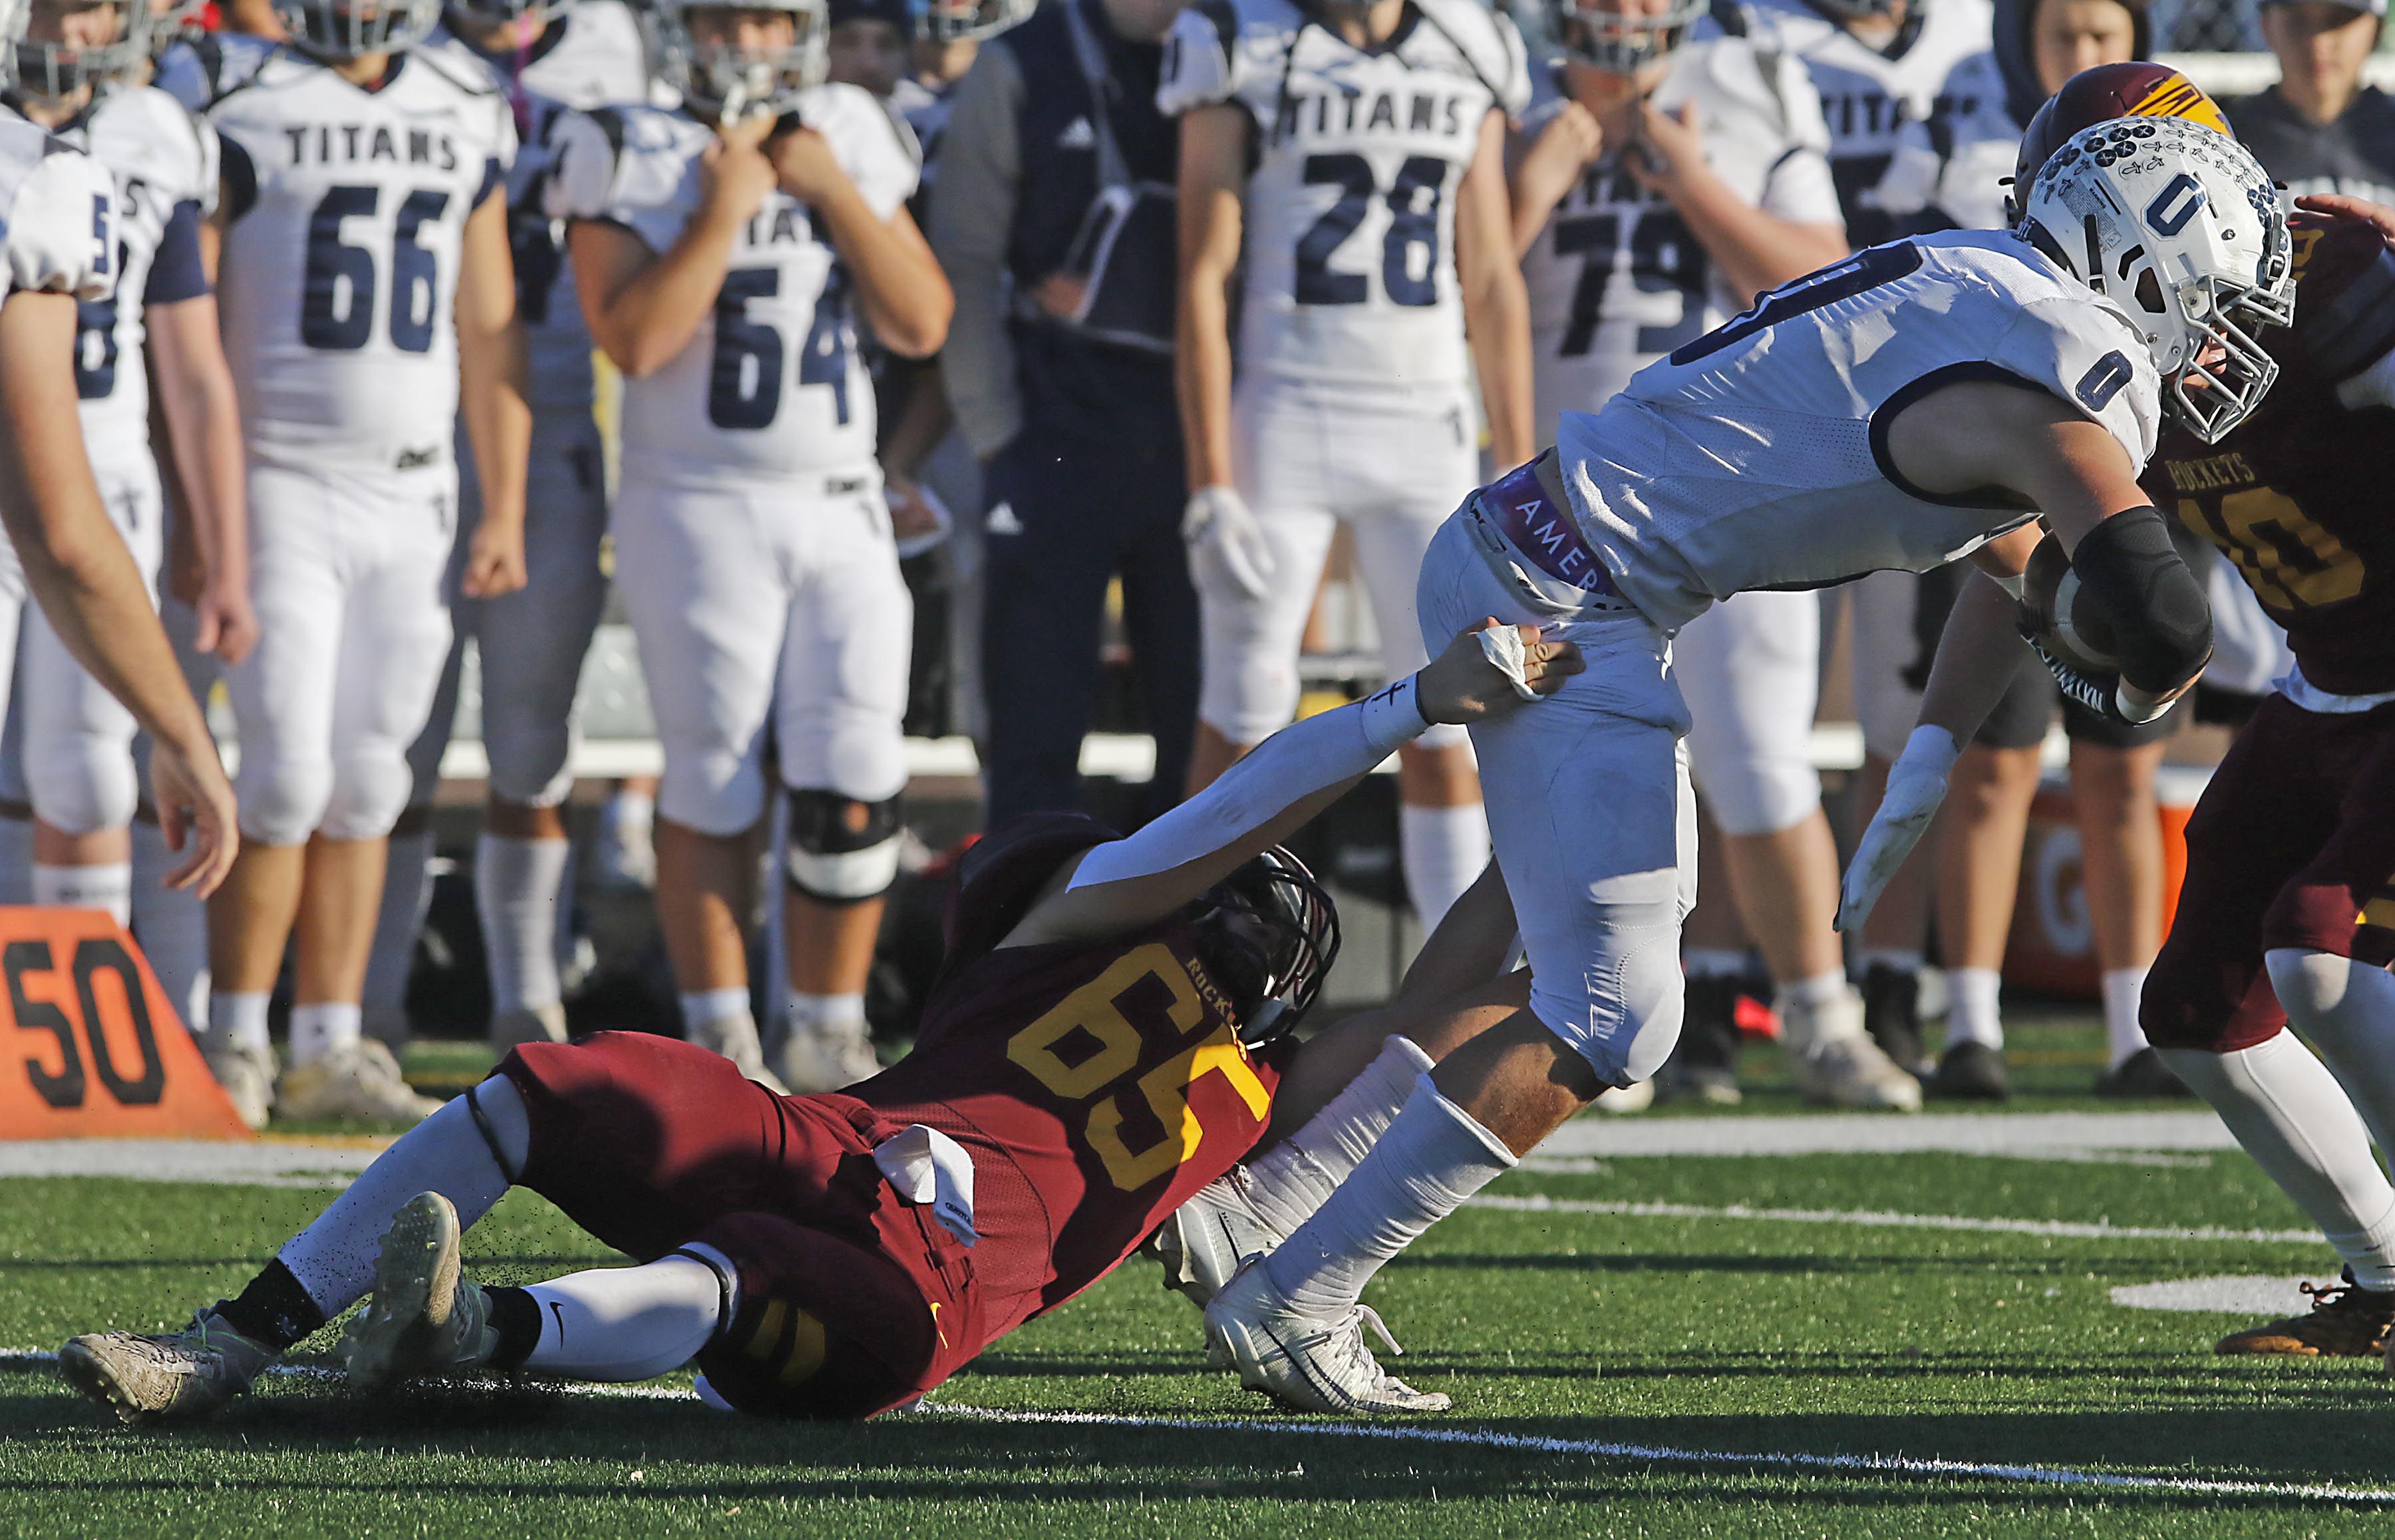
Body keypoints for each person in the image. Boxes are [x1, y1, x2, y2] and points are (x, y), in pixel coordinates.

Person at [1192, 115, 2288, 1414]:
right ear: (2143, 267)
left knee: (1574, 957)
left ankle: (1263, 1201)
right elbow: (2158, 614)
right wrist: (2148, 676)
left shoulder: (1971, 284)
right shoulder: (2075, 359)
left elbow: (2014, 567)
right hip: (1570, 598)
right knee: (1621, 1008)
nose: (2220, 340)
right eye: (2215, 302)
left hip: (1541, 552)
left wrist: (1931, 750)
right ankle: (1300, 1291)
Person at [53, 621, 1579, 1426]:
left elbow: (1405, 962)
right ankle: (239, 1341)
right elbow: (1437, 979)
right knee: (571, 1080)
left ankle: (477, 1332)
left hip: (925, 1279)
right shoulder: (1192, 1028)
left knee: (742, 1265)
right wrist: (1531, 796)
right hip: (843, 1145)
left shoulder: (1163, 1001)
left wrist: (1450, 738)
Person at [1510, 0, 1917, 1110]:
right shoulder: (1512, 86)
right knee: (1573, 760)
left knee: (1761, 758)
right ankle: (1580, 1017)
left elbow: (1828, 278)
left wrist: (1691, 179)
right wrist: (1540, 177)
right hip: (1570, 478)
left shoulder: (1751, 78)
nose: (1628, 13)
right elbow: (1456, 282)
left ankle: (1821, 1016)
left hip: (1734, 471)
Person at [552, 0, 951, 1092]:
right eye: (728, 20)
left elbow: (923, 321)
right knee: (715, 772)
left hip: (837, 493)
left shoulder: (845, 132)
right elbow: (633, 340)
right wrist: (724, 212)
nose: (751, 45)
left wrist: (828, 191)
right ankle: (719, 1036)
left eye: (773, 22)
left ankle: (829, 1033)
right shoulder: (622, 141)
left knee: (859, 768)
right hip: (698, 497)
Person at [200, 0, 529, 1126]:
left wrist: (508, 502)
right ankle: (236, 1033)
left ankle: (328, 1041)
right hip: (278, 476)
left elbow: (488, 326)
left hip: (416, 487)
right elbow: (188, 323)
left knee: (374, 778)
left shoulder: (465, 103)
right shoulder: (237, 97)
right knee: (286, 772)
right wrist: (206, 512)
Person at [1859, 42, 2207, 1102]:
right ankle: (1971, 1018)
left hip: (2123, 480)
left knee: (2120, 767)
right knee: (1998, 760)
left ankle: (2129, 1018)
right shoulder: (1972, 155)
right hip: (2029, 477)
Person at [1163, 0, 1537, 929]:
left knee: (1458, 708)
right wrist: (1209, 477)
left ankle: (1453, 988)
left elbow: (1488, 273)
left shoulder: (1471, 38)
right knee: (1242, 699)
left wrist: (1523, 467)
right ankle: (1187, 947)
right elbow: (1203, 272)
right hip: (1286, 409)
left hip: (1427, 416)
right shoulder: (1236, 35)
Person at [356, 0, 651, 1061]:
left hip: (560, 410)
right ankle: (367, 1009)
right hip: (414, 418)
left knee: (534, 742)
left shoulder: (620, 46)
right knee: (397, 742)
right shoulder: (396, 49)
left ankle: (529, 1003)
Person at [0, 0, 253, 939]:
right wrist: (186, 736)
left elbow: (193, 369)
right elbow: (61, 534)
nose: (67, 33)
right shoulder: (32, 180)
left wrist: (218, 545)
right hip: (55, 491)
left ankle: (70, 1032)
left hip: (98, 464)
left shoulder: (155, 137)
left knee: (86, 765)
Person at [931, 0, 1197, 830]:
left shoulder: (1249, 44)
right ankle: (1024, 938)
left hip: (1204, 432)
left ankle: (1210, 937)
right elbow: (964, 262)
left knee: (1204, 723)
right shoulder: (1018, 64)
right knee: (1035, 723)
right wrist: (996, 431)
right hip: (1054, 429)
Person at [2225, 0, 2395, 209]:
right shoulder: (2228, 142)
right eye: (2298, 20)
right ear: (2266, 26)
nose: (2318, 42)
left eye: (2338, 21)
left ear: (2377, 29)